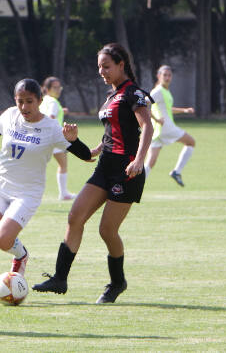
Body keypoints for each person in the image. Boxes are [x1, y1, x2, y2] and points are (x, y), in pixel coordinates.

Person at [0, 78, 92, 304]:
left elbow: (86, 156)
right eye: (20, 101)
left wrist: (74, 140)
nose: (24, 107)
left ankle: (21, 255)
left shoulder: (52, 128)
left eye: (29, 102)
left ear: (40, 101)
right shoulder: (10, 116)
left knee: (3, 240)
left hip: (27, 193)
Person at [32, 43, 153, 304]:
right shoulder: (111, 97)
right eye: (99, 67)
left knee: (107, 230)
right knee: (75, 216)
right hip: (104, 168)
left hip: (126, 171)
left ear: (122, 64)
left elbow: (148, 128)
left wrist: (140, 160)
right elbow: (98, 148)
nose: (102, 71)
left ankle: (117, 282)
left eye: (106, 66)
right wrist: (75, 141)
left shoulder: (134, 94)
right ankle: (59, 279)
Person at [144, 65, 195, 187]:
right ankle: (176, 172)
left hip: (158, 131)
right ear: (159, 76)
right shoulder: (158, 91)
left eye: (169, 75)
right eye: (164, 75)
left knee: (150, 162)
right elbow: (144, 103)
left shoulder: (165, 91)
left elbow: (167, 109)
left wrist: (184, 111)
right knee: (191, 142)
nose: (167, 77)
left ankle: (135, 185)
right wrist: (156, 119)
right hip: (166, 127)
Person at [40, 76, 76, 200]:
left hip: (41, 137)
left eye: (59, 87)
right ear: (47, 89)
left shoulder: (44, 100)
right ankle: (63, 193)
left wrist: (62, 111)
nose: (58, 90)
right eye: (55, 88)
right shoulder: (53, 102)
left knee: (37, 166)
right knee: (63, 164)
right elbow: (50, 117)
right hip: (54, 139)